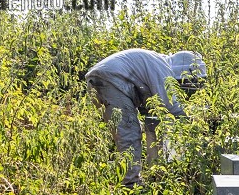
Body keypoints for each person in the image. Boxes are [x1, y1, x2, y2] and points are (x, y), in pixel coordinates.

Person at [84, 49, 207, 186]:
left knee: (123, 132)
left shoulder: (155, 62)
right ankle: (131, 185)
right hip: (111, 79)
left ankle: (131, 177)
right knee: (129, 133)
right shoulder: (163, 69)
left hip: (98, 78)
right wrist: (197, 122)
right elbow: (169, 105)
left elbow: (151, 108)